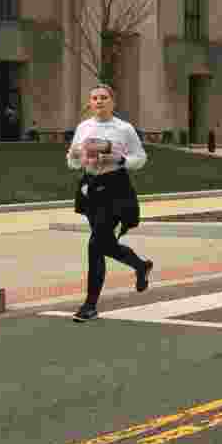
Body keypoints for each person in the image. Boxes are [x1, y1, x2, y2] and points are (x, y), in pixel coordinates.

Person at [66, 84, 153, 322]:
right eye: (95, 98)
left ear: (113, 102)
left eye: (104, 98)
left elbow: (140, 158)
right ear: (90, 103)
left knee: (95, 245)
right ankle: (140, 265)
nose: (99, 101)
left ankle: (90, 305)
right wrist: (76, 156)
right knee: (105, 244)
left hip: (116, 188)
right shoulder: (84, 127)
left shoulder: (124, 129)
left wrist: (121, 159)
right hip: (91, 189)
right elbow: (72, 161)